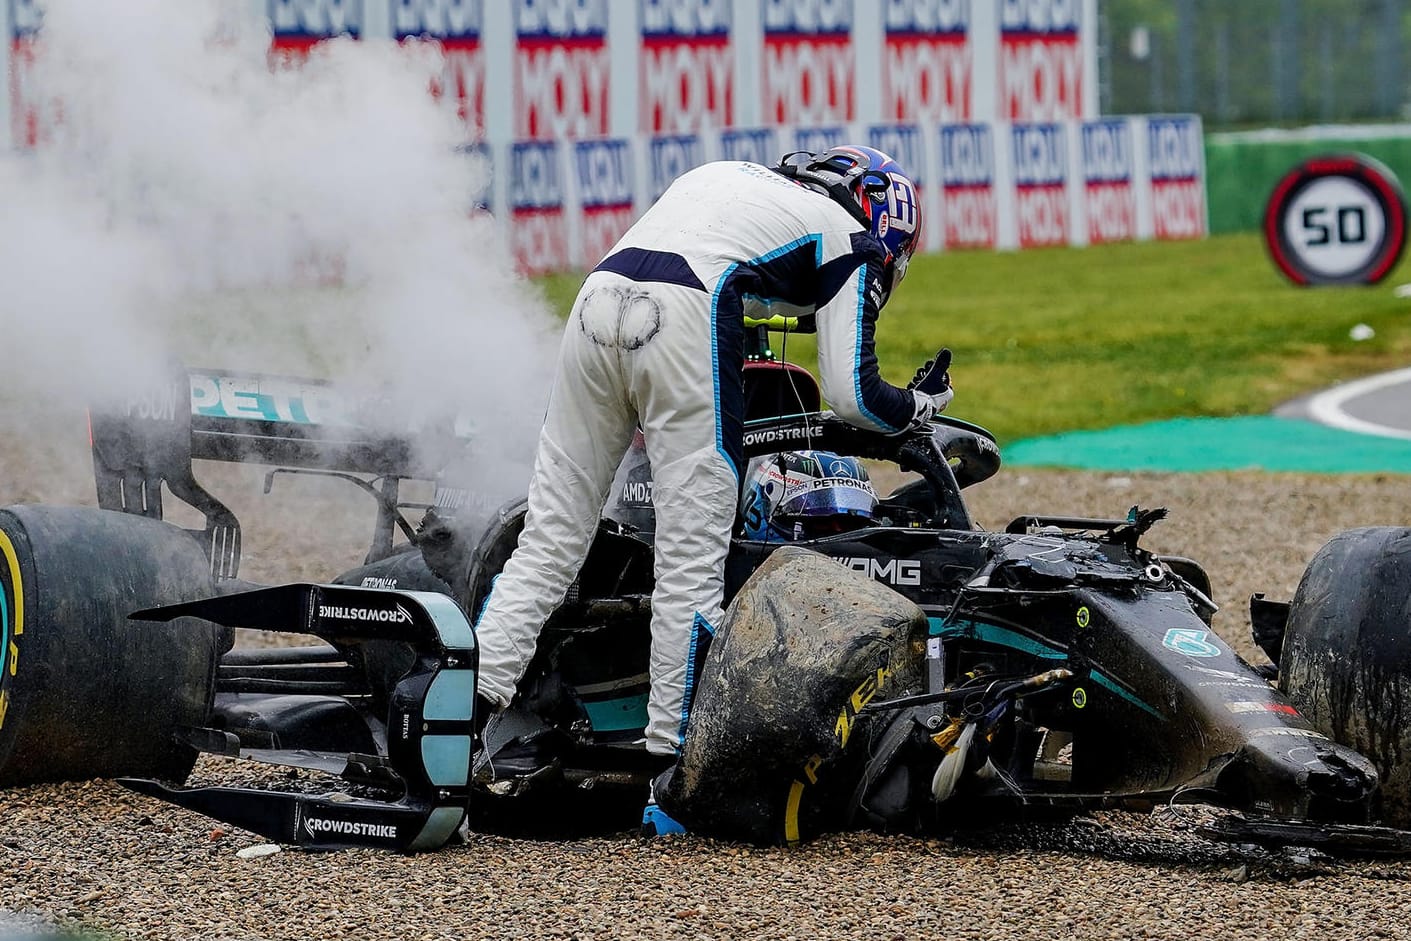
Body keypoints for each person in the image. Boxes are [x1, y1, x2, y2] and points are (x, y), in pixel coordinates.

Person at [471, 146, 954, 774]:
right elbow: (853, 395)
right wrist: (919, 404)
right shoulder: (851, 237)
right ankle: (670, 771)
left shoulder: (726, 179)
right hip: (690, 311)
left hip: (596, 300)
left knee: (549, 540)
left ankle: (459, 721)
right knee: (691, 565)